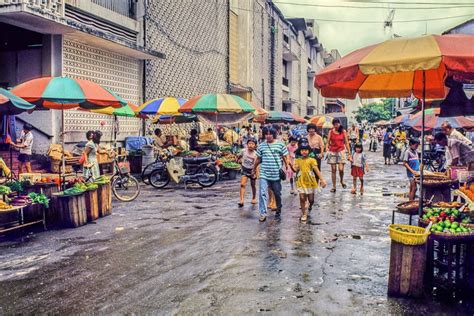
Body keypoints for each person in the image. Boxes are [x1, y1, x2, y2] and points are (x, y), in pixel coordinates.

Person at [252, 126, 290, 222]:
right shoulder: (261, 146)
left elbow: (285, 156)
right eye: (266, 134)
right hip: (264, 173)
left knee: (277, 193)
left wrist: (287, 166)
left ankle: (278, 209)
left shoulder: (280, 145)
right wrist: (254, 168)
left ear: (274, 134)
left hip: (276, 174)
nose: (268, 136)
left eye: (270, 134)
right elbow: (258, 159)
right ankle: (263, 213)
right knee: (262, 193)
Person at [290, 143, 327, 222]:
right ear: (300, 151)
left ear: (309, 151)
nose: (304, 152)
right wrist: (290, 165)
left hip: (310, 181)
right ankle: (304, 214)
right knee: (302, 198)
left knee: (311, 199)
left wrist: (322, 180)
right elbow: (295, 170)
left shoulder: (312, 160)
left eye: (306, 150)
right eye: (302, 150)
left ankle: (310, 205)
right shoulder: (297, 160)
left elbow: (316, 170)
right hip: (301, 181)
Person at [326, 119, 352, 193]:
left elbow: (346, 143)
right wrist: (327, 148)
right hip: (332, 151)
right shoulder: (330, 132)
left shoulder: (343, 131)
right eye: (334, 124)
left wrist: (349, 152)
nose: (336, 125)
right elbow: (327, 142)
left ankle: (341, 181)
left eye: (337, 124)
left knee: (341, 169)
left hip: (341, 151)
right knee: (333, 169)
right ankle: (334, 186)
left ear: (339, 124)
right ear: (333, 125)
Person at [238, 138, 258, 207]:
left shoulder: (256, 154)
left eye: (252, 144)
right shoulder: (243, 151)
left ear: (255, 146)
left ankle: (254, 197)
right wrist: (238, 160)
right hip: (244, 170)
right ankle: (241, 200)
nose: (250, 145)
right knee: (242, 185)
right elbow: (239, 156)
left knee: (253, 185)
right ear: (247, 144)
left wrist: (255, 172)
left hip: (252, 171)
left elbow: (256, 164)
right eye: (249, 143)